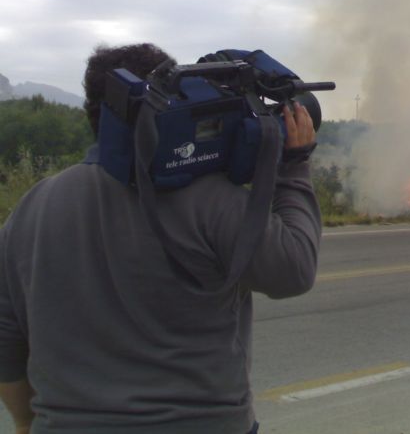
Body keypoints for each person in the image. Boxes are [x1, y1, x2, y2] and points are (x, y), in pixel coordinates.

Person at [0, 43, 322, 434]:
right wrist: (293, 167)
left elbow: (7, 343)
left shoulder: (33, 206)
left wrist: (24, 422)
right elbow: (293, 270)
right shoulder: (213, 200)